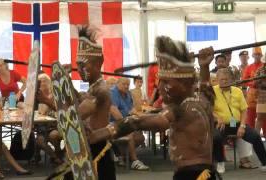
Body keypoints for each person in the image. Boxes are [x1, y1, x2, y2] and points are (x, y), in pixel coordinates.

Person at [111, 36, 217, 179]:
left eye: (166, 81)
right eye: (160, 81)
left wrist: (107, 131)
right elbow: (205, 86)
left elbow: (154, 122)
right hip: (205, 173)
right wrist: (204, 66)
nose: (160, 87)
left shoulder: (180, 108)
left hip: (191, 175)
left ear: (185, 83)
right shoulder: (203, 101)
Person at [75, 25, 116, 180]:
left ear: (98, 64)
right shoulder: (93, 88)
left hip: (97, 149)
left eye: (83, 64)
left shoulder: (101, 90)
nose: (79, 69)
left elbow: (78, 114)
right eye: (77, 64)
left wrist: (52, 99)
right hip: (87, 147)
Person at [212, 68, 266, 173]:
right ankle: (220, 162)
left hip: (236, 124)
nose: (225, 82)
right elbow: (208, 109)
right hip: (221, 124)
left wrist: (242, 126)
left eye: (227, 79)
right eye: (222, 80)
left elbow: (244, 111)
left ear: (231, 79)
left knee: (255, 136)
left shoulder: (237, 91)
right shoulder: (212, 91)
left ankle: (264, 163)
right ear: (217, 80)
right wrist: (217, 118)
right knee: (216, 137)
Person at [110, 78, 149, 170]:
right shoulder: (112, 93)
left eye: (128, 84)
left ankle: (121, 155)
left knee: (140, 138)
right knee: (130, 134)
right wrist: (127, 123)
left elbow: (132, 109)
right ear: (117, 83)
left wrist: (137, 116)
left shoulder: (128, 94)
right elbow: (115, 112)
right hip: (112, 124)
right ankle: (134, 160)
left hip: (126, 121)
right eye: (124, 84)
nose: (126, 86)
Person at [242, 47, 266, 134]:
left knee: (263, 120)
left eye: (259, 54)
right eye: (256, 54)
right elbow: (244, 80)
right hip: (252, 95)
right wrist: (253, 84)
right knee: (250, 119)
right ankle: (252, 139)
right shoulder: (249, 67)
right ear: (252, 55)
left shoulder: (262, 66)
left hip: (263, 94)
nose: (257, 56)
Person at [255, 63, 266, 137]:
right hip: (262, 94)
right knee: (259, 117)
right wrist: (260, 77)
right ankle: (256, 138)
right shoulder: (260, 69)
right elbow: (255, 83)